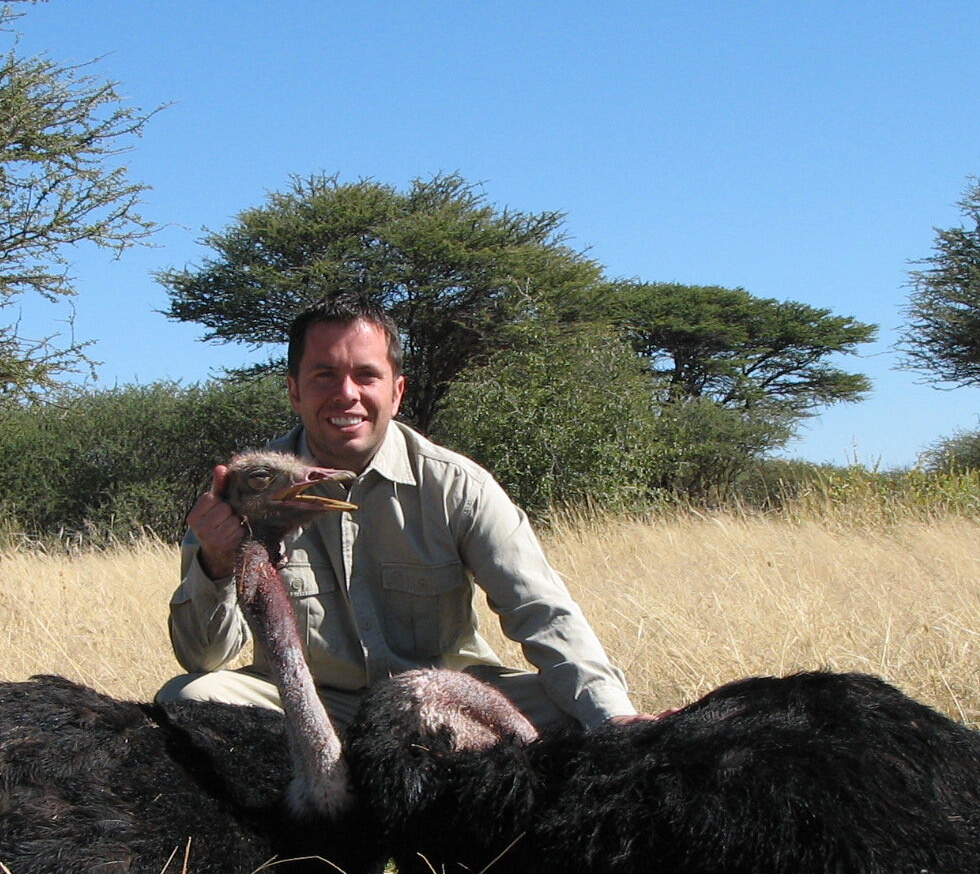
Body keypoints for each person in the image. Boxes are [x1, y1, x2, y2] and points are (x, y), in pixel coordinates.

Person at [155, 291, 640, 731]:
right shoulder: (250, 488)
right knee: (191, 699)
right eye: (324, 375)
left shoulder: (456, 485)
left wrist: (614, 720)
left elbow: (541, 611)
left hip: (442, 700)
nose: (346, 393)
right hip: (313, 707)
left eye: (366, 375)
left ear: (397, 391)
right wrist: (216, 564)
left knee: (573, 713)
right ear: (295, 391)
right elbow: (203, 658)